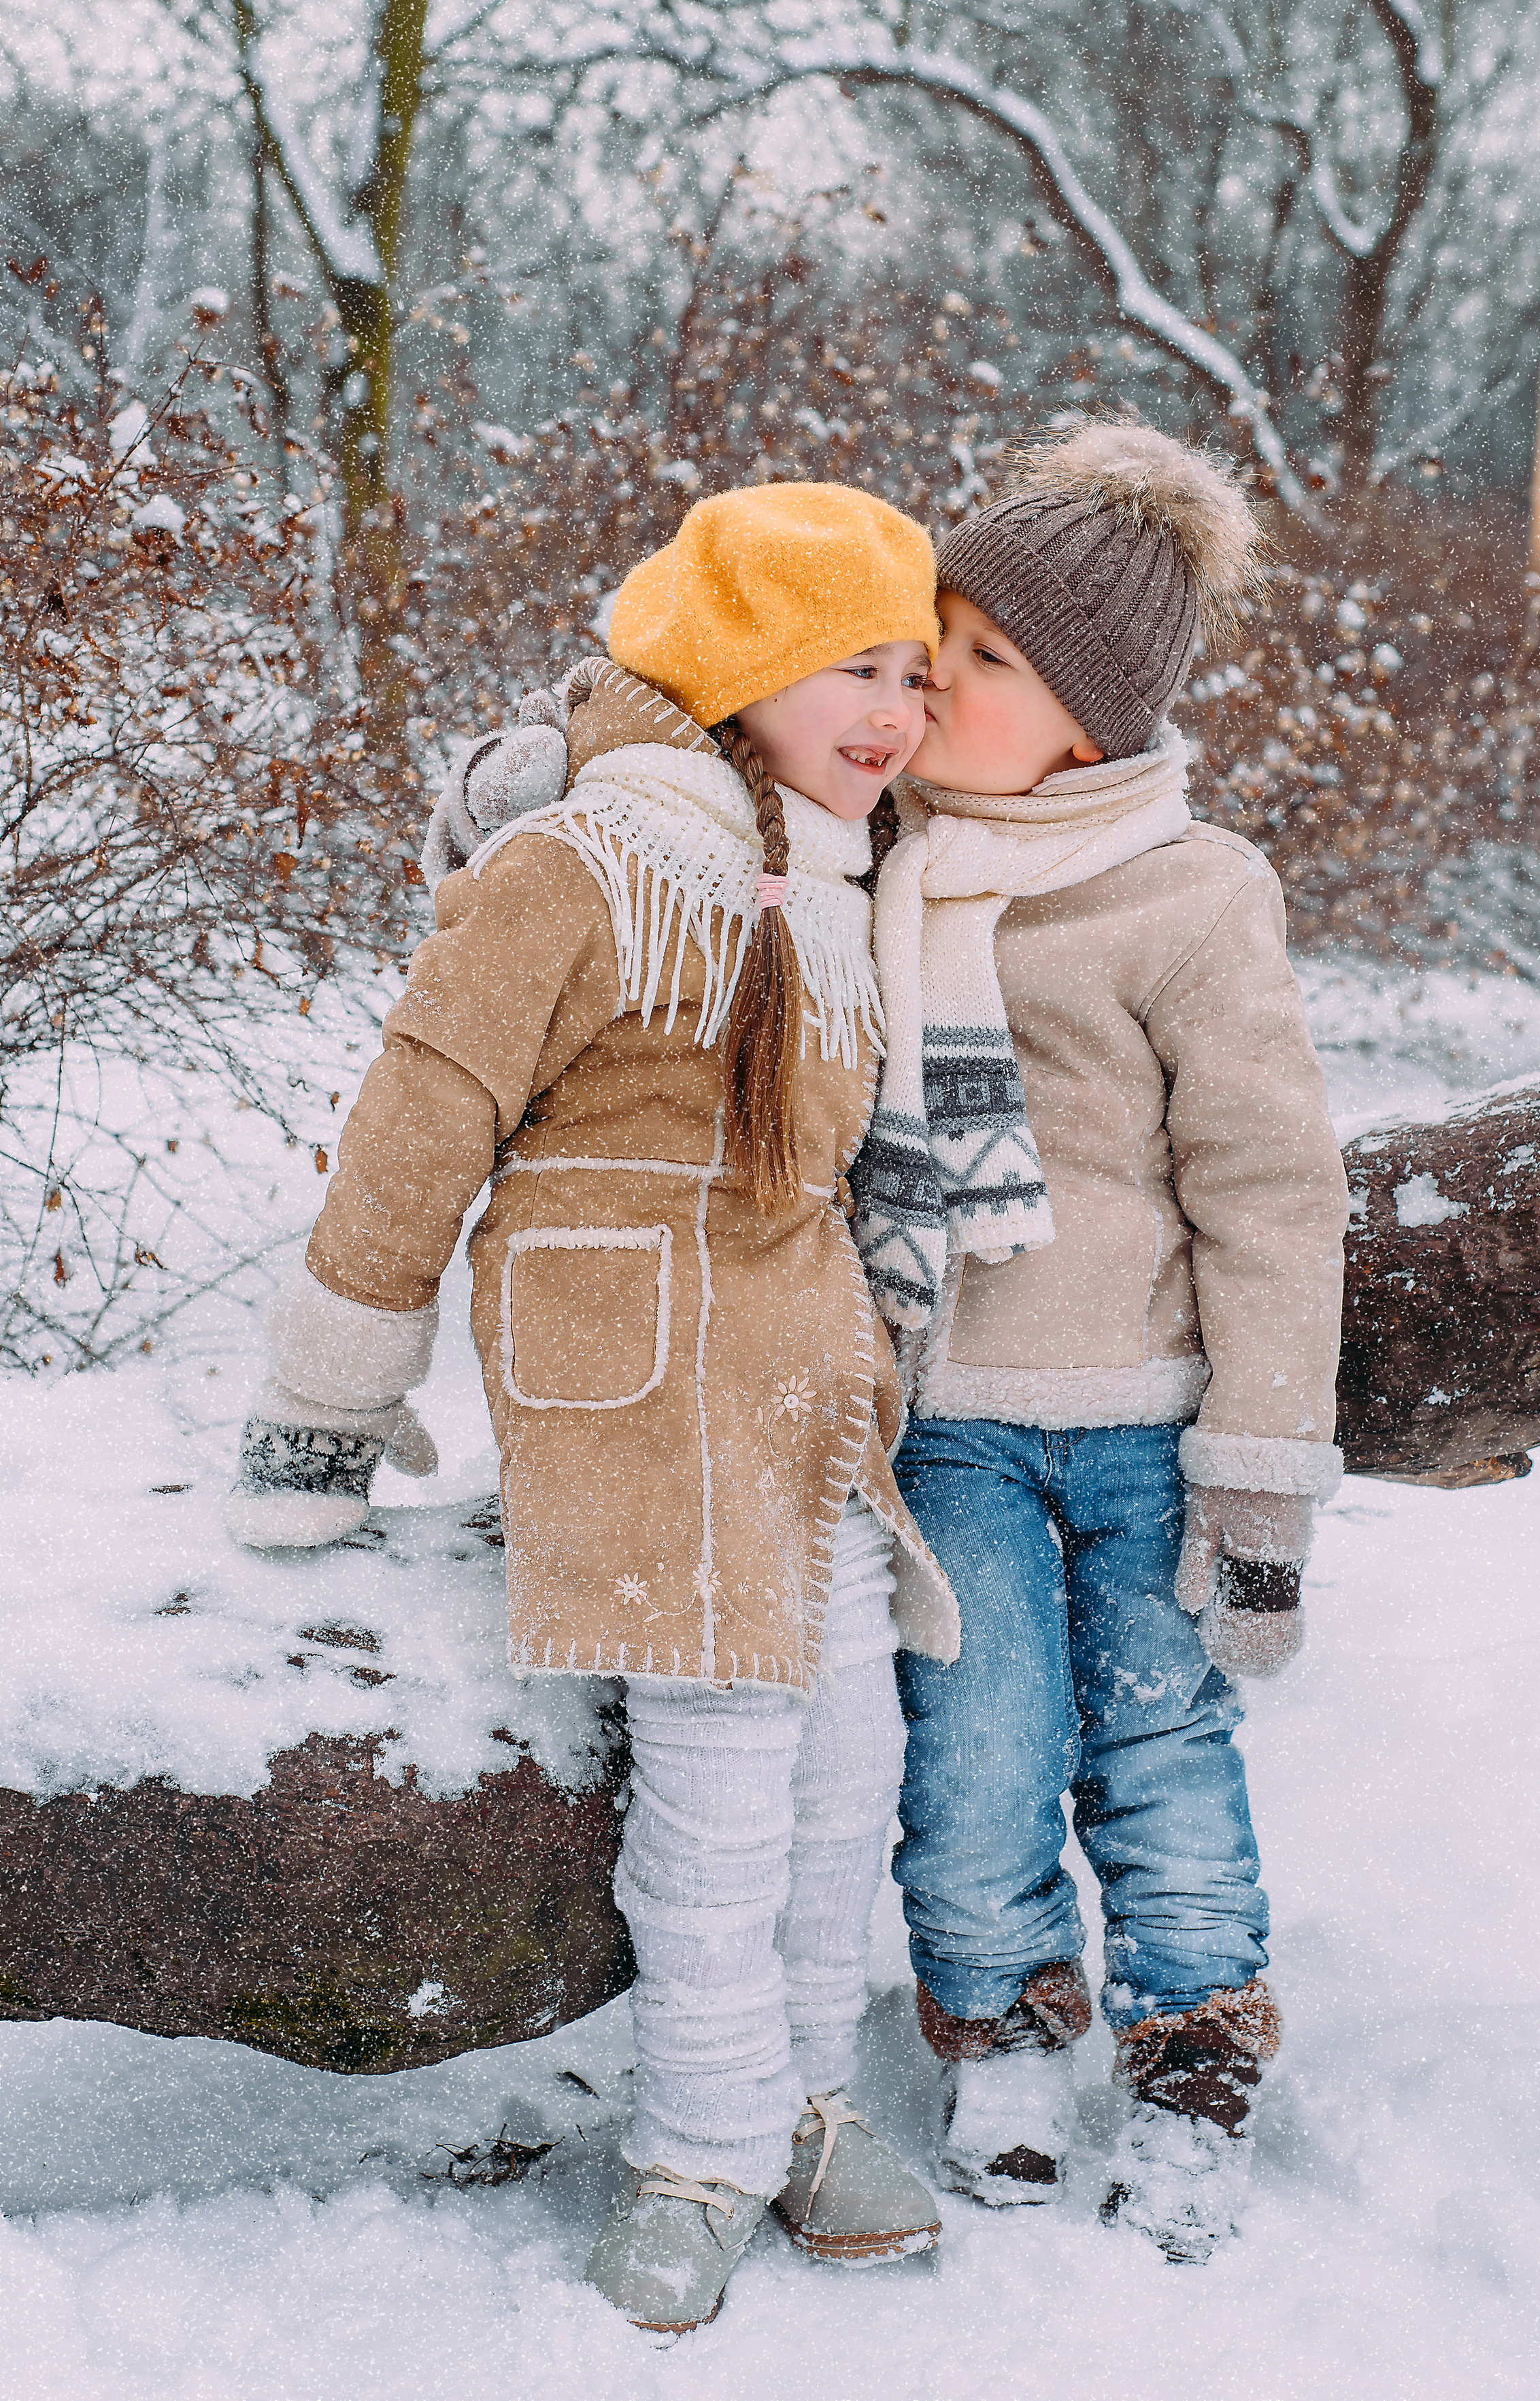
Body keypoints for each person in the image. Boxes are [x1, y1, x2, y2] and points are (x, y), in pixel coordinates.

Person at [224, 482, 960, 2336]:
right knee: (716, 1781)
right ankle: (696, 2147)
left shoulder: (836, 883)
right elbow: (423, 1112)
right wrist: (333, 1394)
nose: (899, 705)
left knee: (845, 1769)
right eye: (853, 664)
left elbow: (854, 1160)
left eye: (917, 670)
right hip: (634, 1386)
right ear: (740, 671)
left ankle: (802, 2099)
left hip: (808, 1397)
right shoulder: (585, 860)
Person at [848, 424, 1350, 2264]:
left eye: (988, 659)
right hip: (950, 1415)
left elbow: (1274, 1193)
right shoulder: (869, 851)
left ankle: (1199, 2059)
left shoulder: (1188, 892)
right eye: (935, 639)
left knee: (1161, 1748)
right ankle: (1004, 2027)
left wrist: (1264, 1479)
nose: (935, 682)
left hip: (1148, 1422)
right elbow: (689, 775)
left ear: (1089, 712)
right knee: (972, 1743)